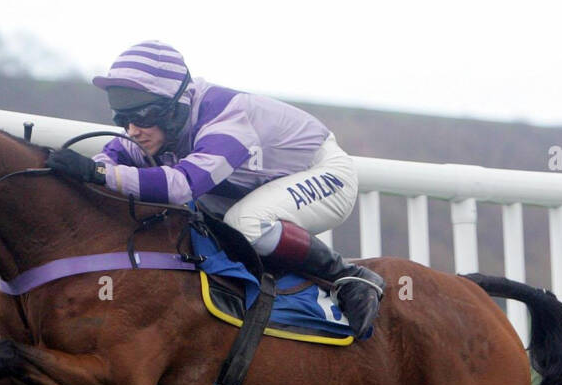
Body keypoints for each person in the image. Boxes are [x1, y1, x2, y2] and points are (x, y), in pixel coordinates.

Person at [47, 40, 385, 341]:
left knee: (246, 221)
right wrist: (95, 167)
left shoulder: (227, 120)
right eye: (124, 120)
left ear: (174, 109)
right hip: (257, 183)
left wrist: (98, 173)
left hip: (326, 174)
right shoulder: (164, 125)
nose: (133, 131)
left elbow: (180, 185)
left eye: (143, 117)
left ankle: (349, 276)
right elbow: (119, 153)